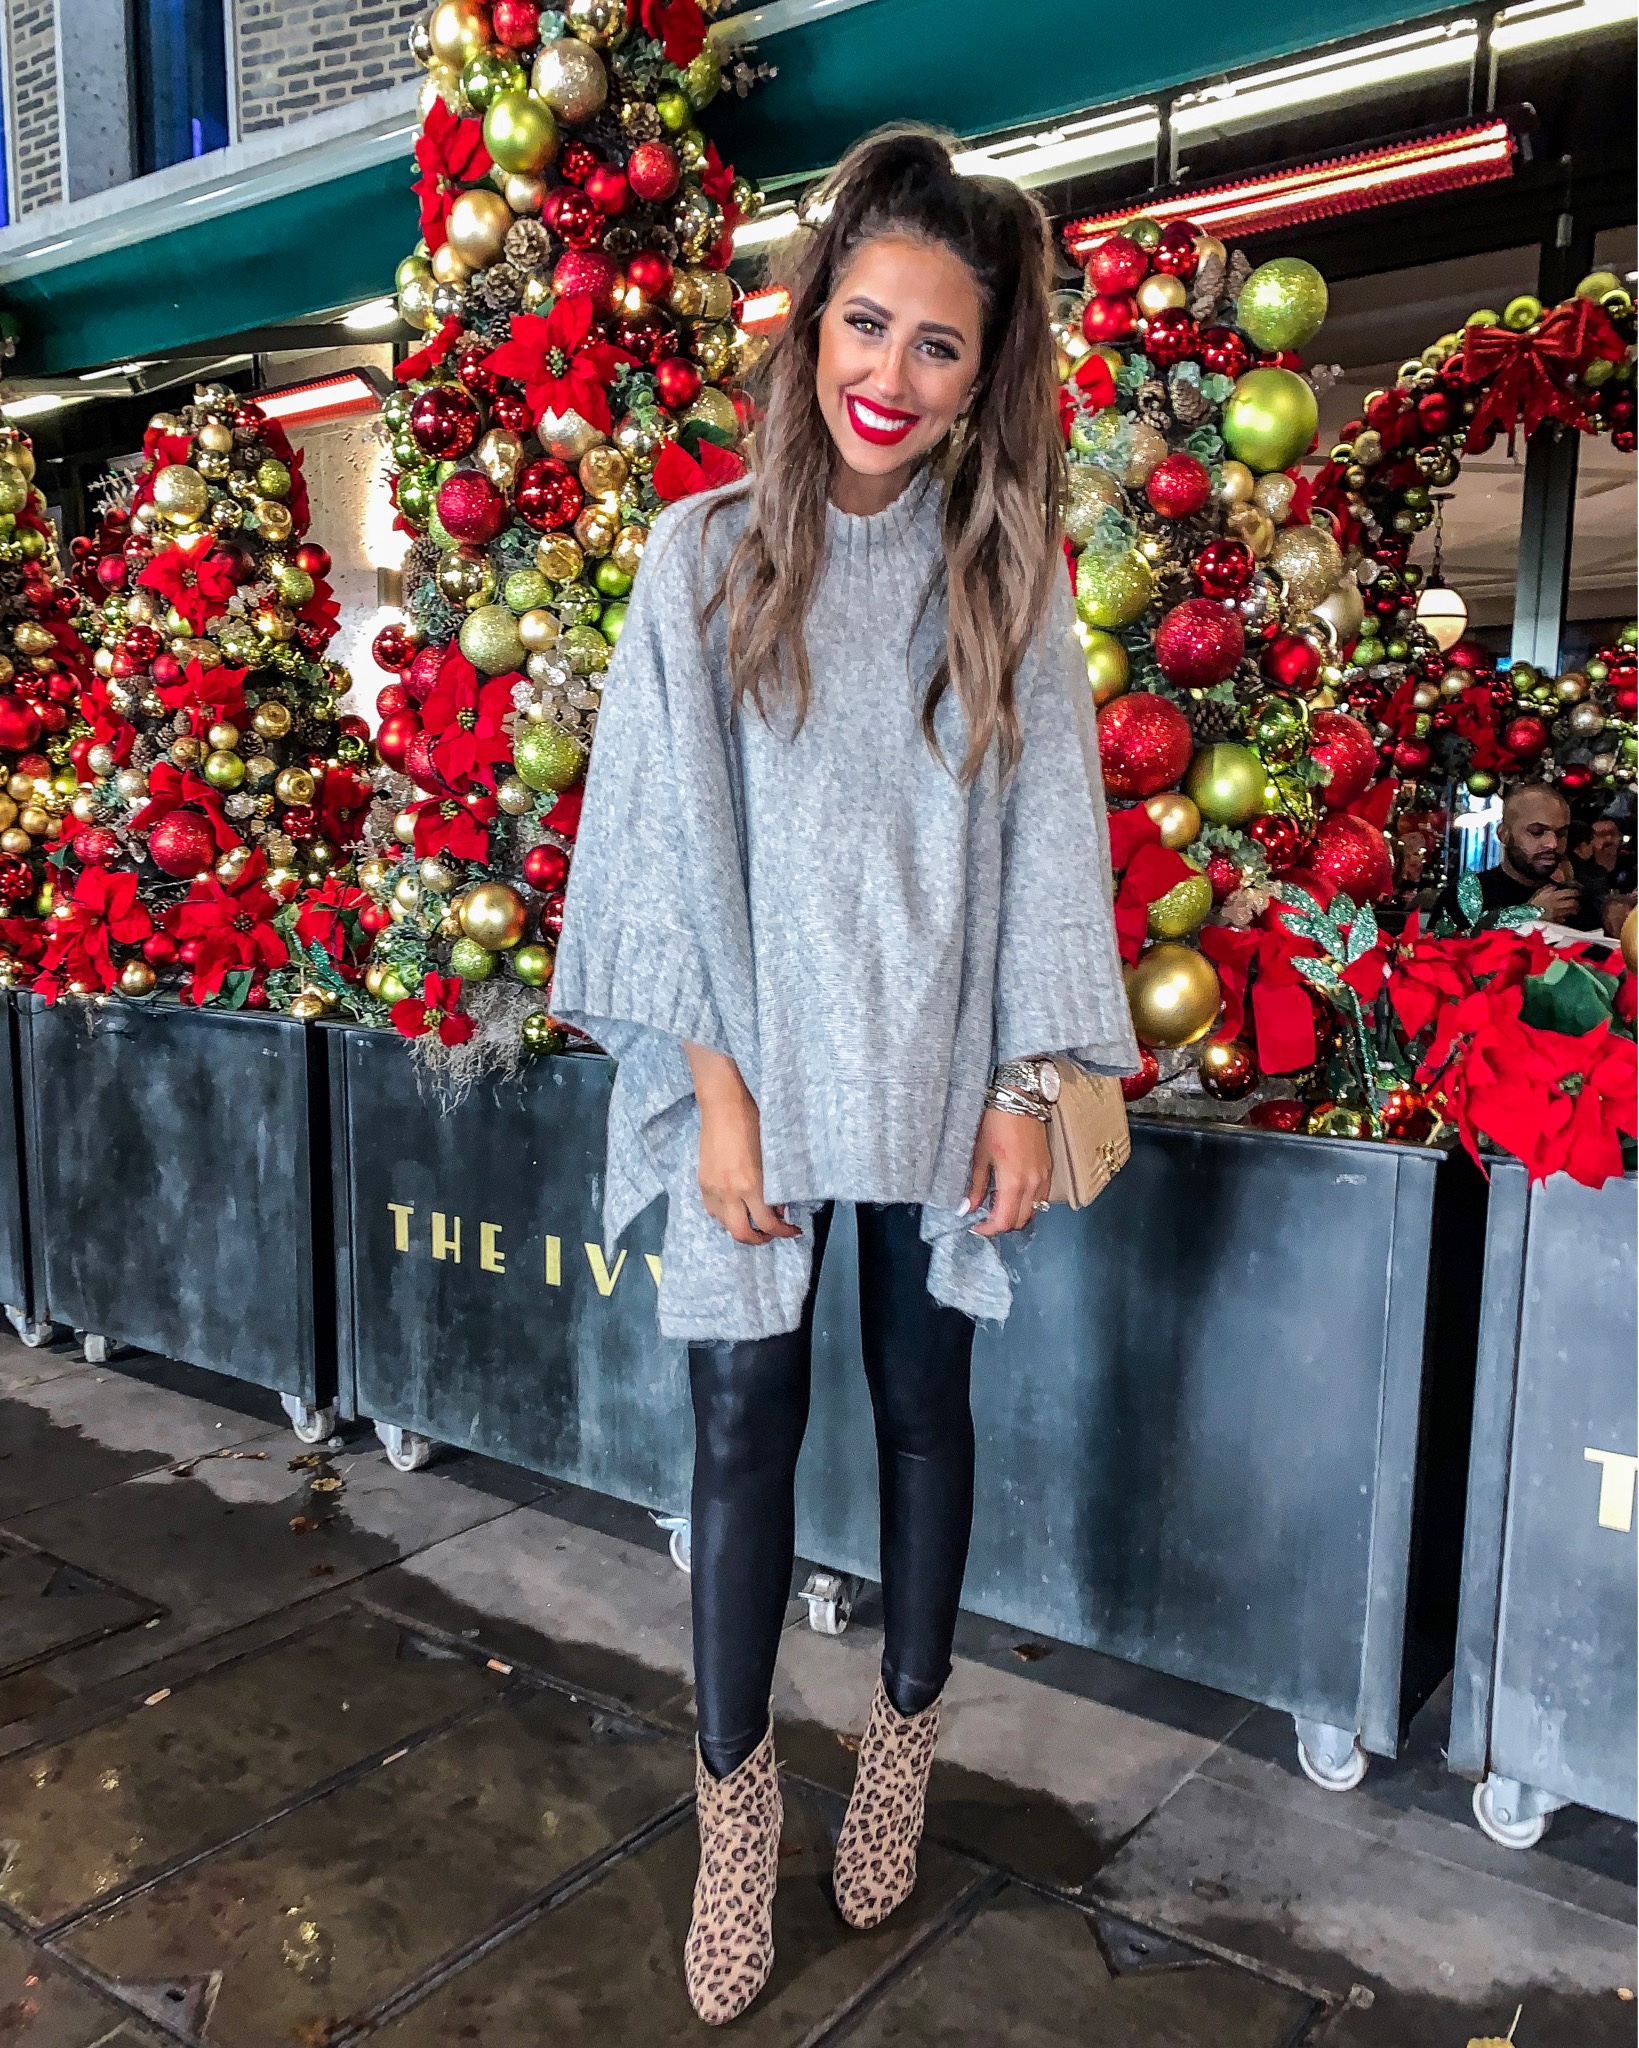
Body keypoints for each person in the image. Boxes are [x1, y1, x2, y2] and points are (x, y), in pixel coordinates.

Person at [551, 127, 1135, 2024]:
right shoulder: (702, 555)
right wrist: (714, 1088)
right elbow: (655, 841)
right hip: (757, 1067)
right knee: (737, 1423)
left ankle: (898, 1744)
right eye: (864, 324)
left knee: (918, 1404)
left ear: (982, 369)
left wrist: (1027, 1082)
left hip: (938, 1067)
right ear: (809, 325)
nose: (889, 374)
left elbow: (1048, 841)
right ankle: (732, 1809)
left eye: (937, 343)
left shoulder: (1008, 573)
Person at [1437, 782, 1592, 928]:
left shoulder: (1573, 904)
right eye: (1537, 832)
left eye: (1561, 833)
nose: (1553, 843)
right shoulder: (1462, 897)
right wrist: (1528, 917)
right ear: (1504, 834)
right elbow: (1448, 945)